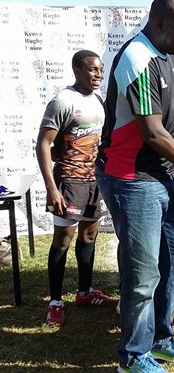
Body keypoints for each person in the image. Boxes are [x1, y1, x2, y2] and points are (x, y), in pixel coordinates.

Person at [95, 0, 174, 373]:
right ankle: (133, 356)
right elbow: (153, 133)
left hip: (162, 179)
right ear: (160, 23)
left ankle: (160, 338)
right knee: (143, 273)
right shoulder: (136, 58)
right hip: (133, 180)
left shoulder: (165, 54)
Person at [36, 50, 116, 327]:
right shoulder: (62, 101)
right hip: (69, 182)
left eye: (100, 70)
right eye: (92, 70)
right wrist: (52, 189)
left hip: (95, 181)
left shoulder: (99, 102)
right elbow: (43, 145)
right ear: (77, 70)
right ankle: (56, 302)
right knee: (63, 240)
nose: (98, 75)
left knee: (90, 236)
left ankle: (84, 292)